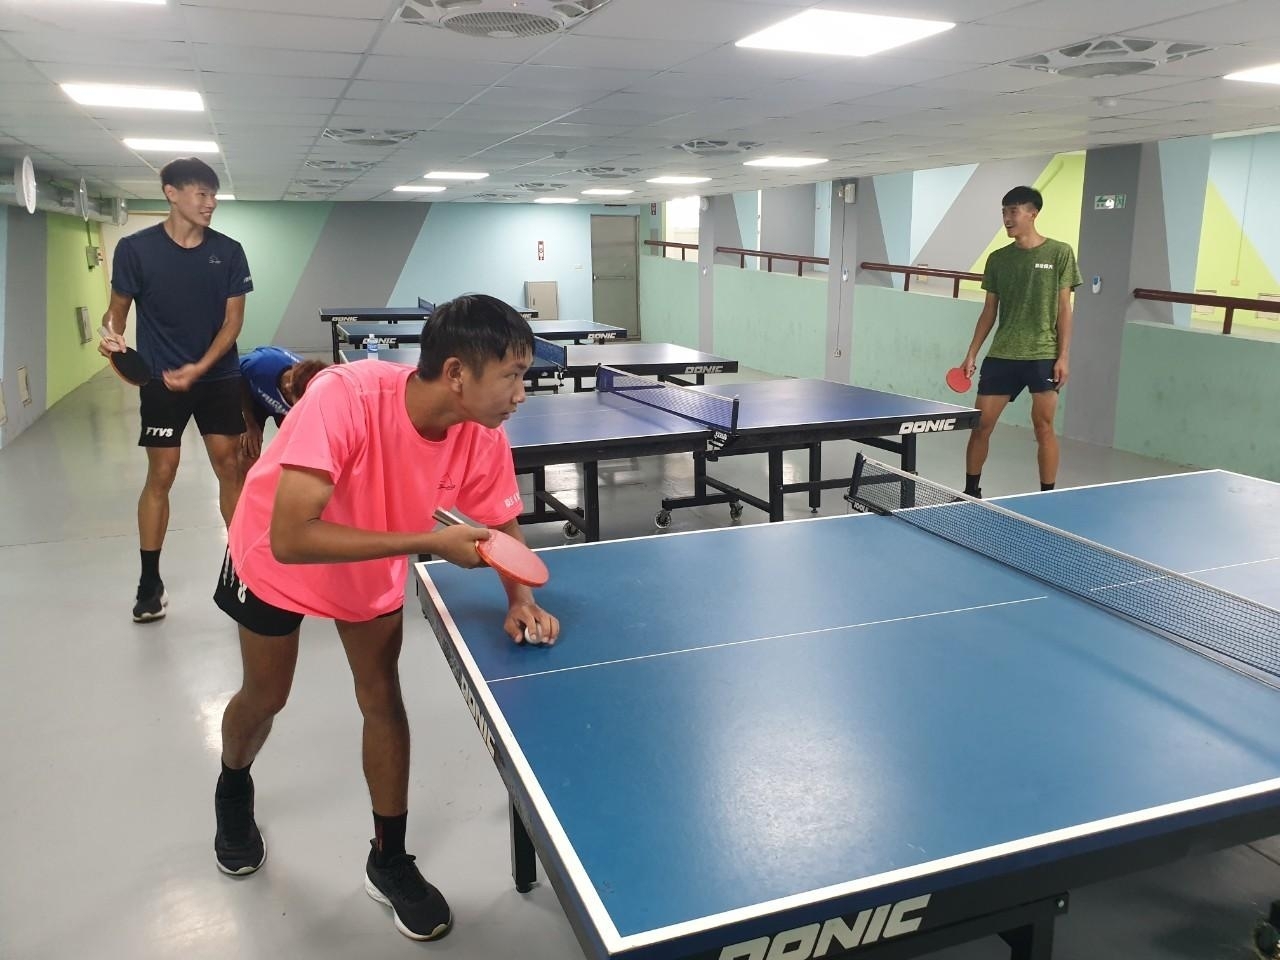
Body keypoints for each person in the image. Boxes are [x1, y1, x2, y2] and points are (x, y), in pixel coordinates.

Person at [211, 295, 559, 942]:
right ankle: (233, 786)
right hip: (273, 556)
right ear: (456, 373)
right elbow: (293, 535)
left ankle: (389, 859)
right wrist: (427, 544)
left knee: (382, 698)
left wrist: (520, 597)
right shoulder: (346, 397)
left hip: (366, 561)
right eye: (512, 375)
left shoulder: (481, 435)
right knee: (266, 696)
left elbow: (500, 523)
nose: (521, 392)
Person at [98, 156, 253, 622]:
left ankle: (245, 568)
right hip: (162, 383)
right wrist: (111, 338)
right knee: (160, 474)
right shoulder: (134, 249)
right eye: (200, 193)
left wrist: (199, 367)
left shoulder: (228, 251)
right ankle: (149, 582)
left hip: (220, 379)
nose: (210, 203)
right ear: (171, 193)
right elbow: (116, 311)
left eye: (213, 195)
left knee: (232, 469)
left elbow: (233, 323)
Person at [958, 185, 1082, 497]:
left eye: (1013, 211)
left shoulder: (1059, 253)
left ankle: (1047, 496)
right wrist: (972, 353)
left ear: (1032, 213)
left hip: (1042, 354)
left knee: (1044, 428)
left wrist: (1063, 356)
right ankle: (970, 492)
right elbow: (989, 310)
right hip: (1002, 355)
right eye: (1004, 212)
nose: (1007, 218)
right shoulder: (998, 259)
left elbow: (1064, 308)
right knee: (981, 426)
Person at [237, 345, 326, 465]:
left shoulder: (317, 392)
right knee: (248, 452)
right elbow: (237, 375)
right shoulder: (260, 364)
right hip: (254, 396)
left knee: (300, 453)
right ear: (288, 389)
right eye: (300, 403)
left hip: (285, 407)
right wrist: (249, 423)